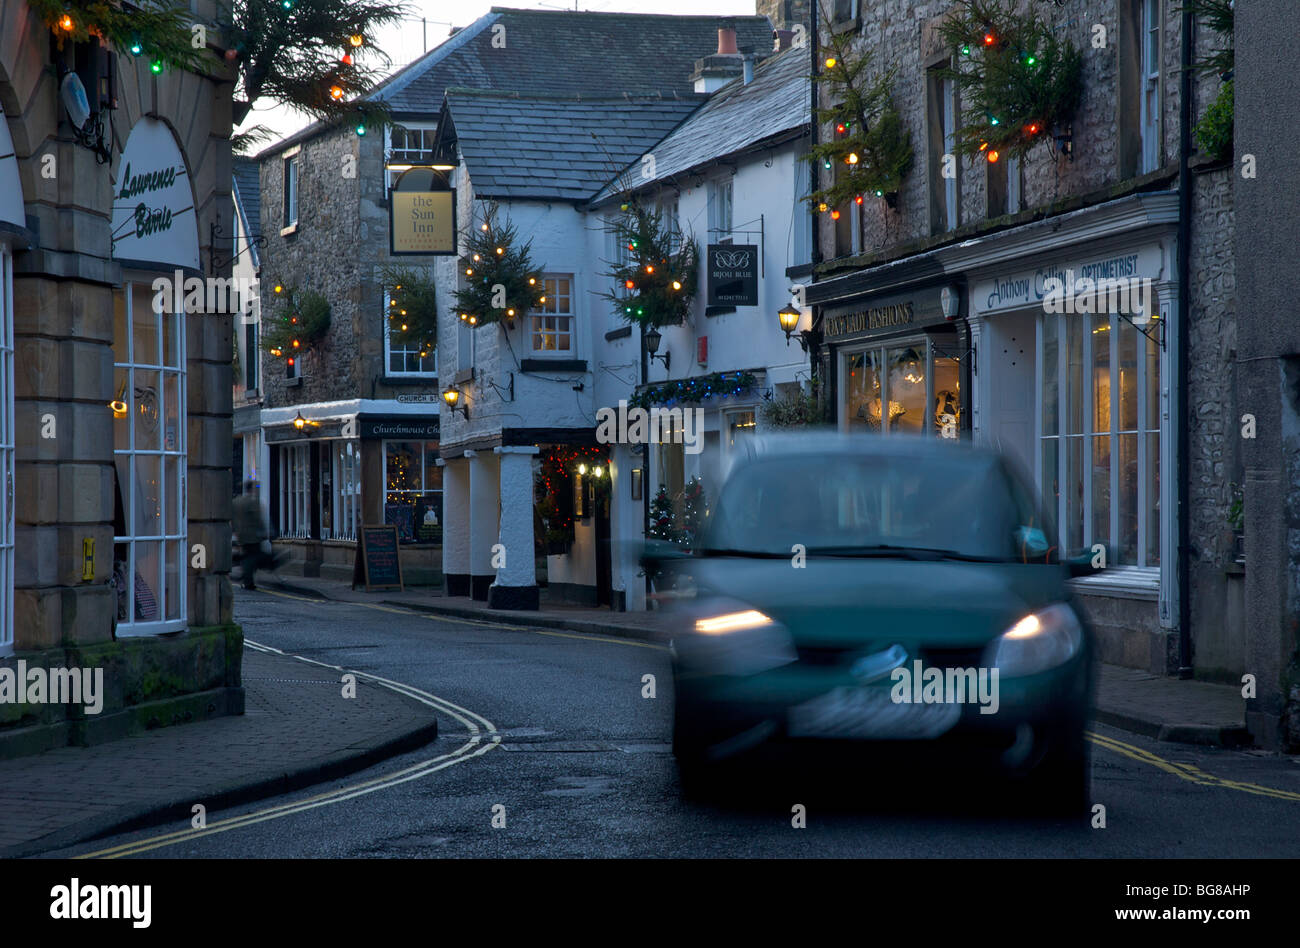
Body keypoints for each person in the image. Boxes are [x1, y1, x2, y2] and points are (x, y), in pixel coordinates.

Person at [232, 480, 269, 590]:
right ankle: (248, 581)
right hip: (252, 536)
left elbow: (233, 519)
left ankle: (247, 579)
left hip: (241, 535)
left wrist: (235, 531)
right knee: (252, 558)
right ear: (251, 489)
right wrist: (263, 532)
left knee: (248, 556)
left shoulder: (235, 502)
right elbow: (257, 519)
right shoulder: (252, 502)